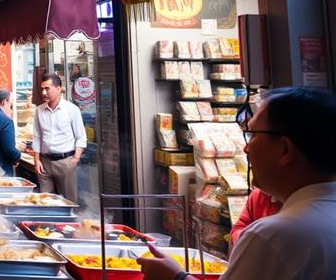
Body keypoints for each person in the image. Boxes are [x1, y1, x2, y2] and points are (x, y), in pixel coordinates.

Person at [139, 88, 336, 280]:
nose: (246, 147)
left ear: (284, 150)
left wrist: (176, 277)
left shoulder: (273, 237)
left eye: (253, 134)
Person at [32, 73, 86, 203]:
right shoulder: (39, 110)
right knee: (44, 202)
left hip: (65, 161)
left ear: (59, 88)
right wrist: (37, 160)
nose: (44, 92)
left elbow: (81, 137)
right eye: (42, 89)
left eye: (47, 88)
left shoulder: (72, 109)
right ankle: (47, 224)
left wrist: (75, 159)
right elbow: (37, 136)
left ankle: (70, 224)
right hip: (44, 162)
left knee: (69, 201)